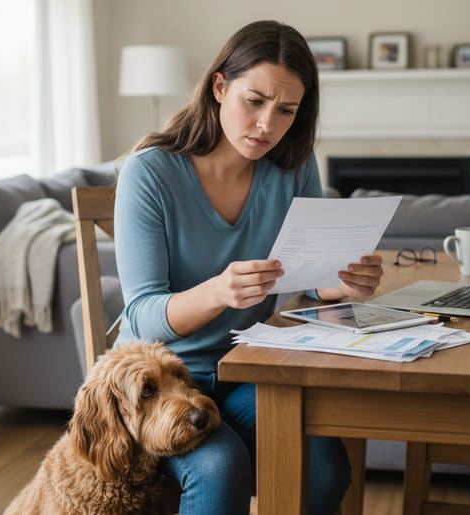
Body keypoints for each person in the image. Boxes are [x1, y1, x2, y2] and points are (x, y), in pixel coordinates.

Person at [114, 20, 384, 515]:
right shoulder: (149, 172)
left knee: (325, 469)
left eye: (286, 110)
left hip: (255, 370)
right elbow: (140, 318)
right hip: (167, 384)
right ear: (220, 86)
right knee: (220, 468)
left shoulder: (295, 166)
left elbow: (307, 280)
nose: (267, 126)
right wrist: (218, 291)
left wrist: (338, 283)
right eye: (254, 101)